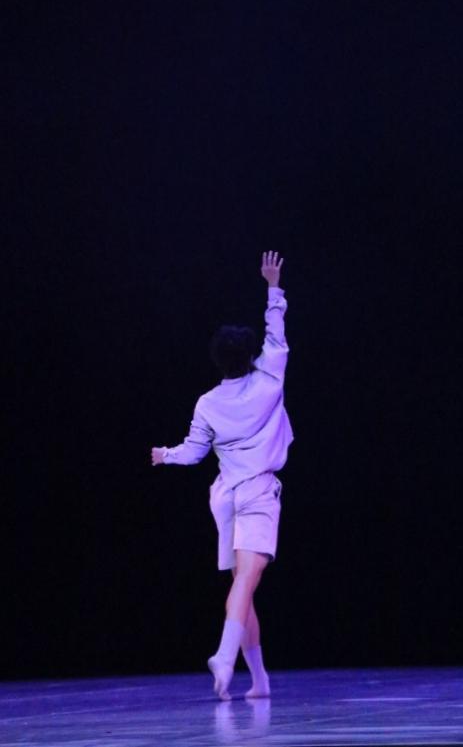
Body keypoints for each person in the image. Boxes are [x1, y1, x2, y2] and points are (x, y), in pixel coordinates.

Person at [151, 251, 293, 701]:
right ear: (250, 355)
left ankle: (260, 680)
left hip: (224, 498)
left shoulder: (208, 402)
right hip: (256, 493)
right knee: (247, 582)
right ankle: (225, 656)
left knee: (241, 588)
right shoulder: (269, 379)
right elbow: (277, 335)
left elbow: (194, 452)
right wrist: (272, 287)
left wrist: (165, 455)